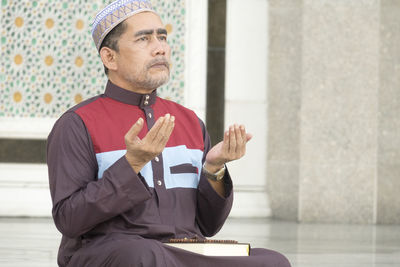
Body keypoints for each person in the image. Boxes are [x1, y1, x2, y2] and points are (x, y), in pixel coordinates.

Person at [47, 0, 291, 266]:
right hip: (113, 252)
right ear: (110, 57)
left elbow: (207, 226)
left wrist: (214, 168)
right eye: (144, 39)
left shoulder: (189, 122)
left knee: (272, 261)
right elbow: (69, 219)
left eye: (162, 37)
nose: (160, 48)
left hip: (181, 253)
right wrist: (131, 165)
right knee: (145, 256)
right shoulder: (78, 123)